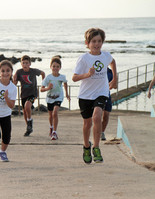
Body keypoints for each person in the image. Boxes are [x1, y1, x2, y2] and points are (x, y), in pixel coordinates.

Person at [72, 28, 117, 164]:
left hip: (101, 92)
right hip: (85, 95)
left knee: (97, 117)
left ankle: (96, 147)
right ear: (87, 43)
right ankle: (86, 146)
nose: (96, 44)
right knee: (87, 123)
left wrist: (115, 78)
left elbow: (113, 62)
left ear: (102, 42)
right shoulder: (84, 59)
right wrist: (87, 74)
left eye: (99, 41)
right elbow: (74, 78)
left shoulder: (105, 56)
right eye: (93, 41)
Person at [13, 55, 45, 136]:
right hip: (24, 94)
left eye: (27, 63)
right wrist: (13, 79)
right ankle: (28, 128)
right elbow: (14, 83)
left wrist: (43, 84)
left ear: (30, 64)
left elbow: (43, 73)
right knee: (24, 112)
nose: (25, 64)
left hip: (33, 93)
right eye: (23, 63)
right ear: (21, 64)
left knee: (27, 106)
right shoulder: (19, 72)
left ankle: (30, 121)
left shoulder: (33, 71)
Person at [41, 56, 70, 140]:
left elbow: (65, 84)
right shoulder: (48, 78)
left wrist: (67, 94)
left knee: (55, 113)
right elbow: (41, 89)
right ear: (50, 67)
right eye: (54, 66)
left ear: (60, 67)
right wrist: (47, 88)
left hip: (58, 97)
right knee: (50, 115)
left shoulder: (62, 77)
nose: (55, 68)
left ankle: (55, 132)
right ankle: (51, 127)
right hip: (49, 98)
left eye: (57, 66)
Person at [101, 67, 113, 141]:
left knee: (106, 115)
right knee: (97, 115)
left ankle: (102, 132)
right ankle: (98, 131)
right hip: (97, 95)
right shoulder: (98, 70)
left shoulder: (110, 72)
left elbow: (114, 85)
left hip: (107, 95)